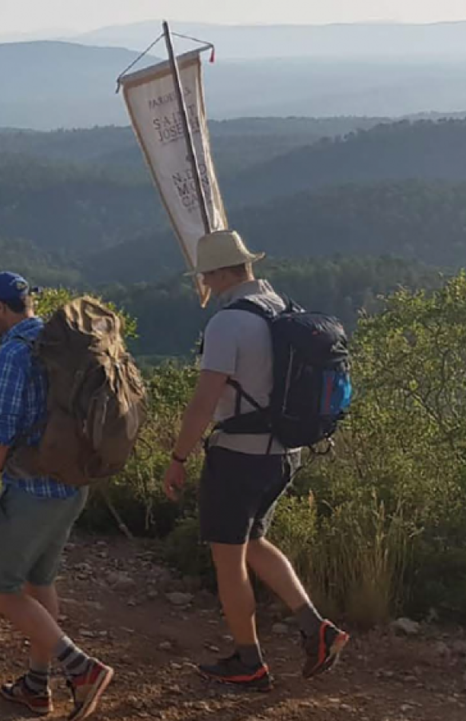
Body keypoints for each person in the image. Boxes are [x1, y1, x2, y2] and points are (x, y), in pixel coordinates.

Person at [164, 230, 349, 692]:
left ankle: (248, 661)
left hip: (238, 458)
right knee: (253, 543)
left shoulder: (228, 324)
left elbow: (205, 402)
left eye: (207, 272)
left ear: (223, 272)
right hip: (284, 454)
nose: (205, 280)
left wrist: (178, 457)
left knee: (229, 560)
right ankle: (316, 629)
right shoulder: (281, 308)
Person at [0, 272, 113, 721]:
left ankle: (80, 668)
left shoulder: (14, 352)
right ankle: (36, 686)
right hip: (71, 486)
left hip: (31, 491)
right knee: (39, 582)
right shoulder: (61, 343)